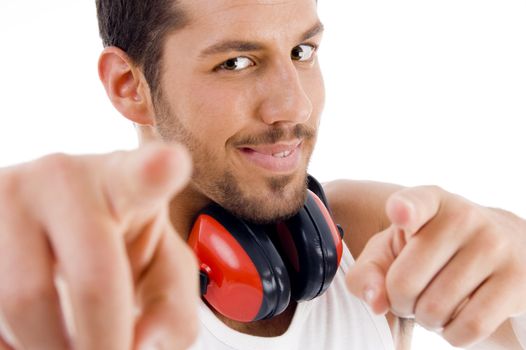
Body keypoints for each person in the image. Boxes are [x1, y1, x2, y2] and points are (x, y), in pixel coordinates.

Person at [0, 0, 525, 349]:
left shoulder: (370, 240)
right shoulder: (60, 305)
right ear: (128, 86)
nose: (293, 105)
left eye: (302, 52)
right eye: (235, 63)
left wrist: (511, 247)